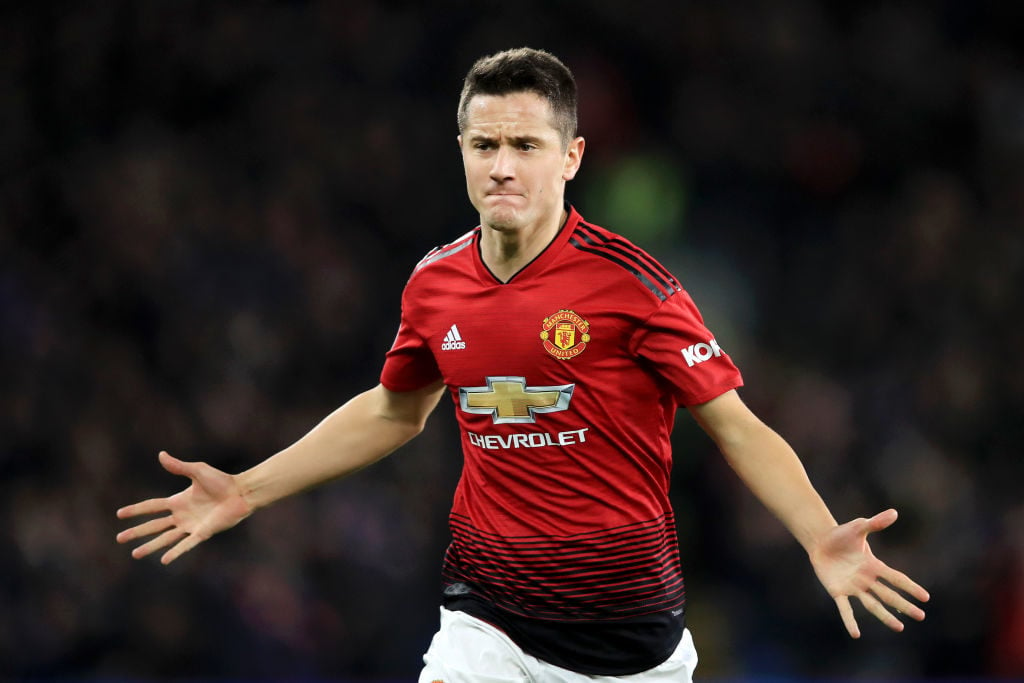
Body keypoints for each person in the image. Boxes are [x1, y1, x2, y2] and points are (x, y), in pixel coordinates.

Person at [117, 47, 929, 681]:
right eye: (485, 144)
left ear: (571, 155)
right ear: (463, 151)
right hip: (487, 623)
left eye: (525, 145)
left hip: (631, 642)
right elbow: (395, 411)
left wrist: (821, 535)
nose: (502, 164)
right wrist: (248, 488)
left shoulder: (633, 286)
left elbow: (737, 428)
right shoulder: (435, 283)